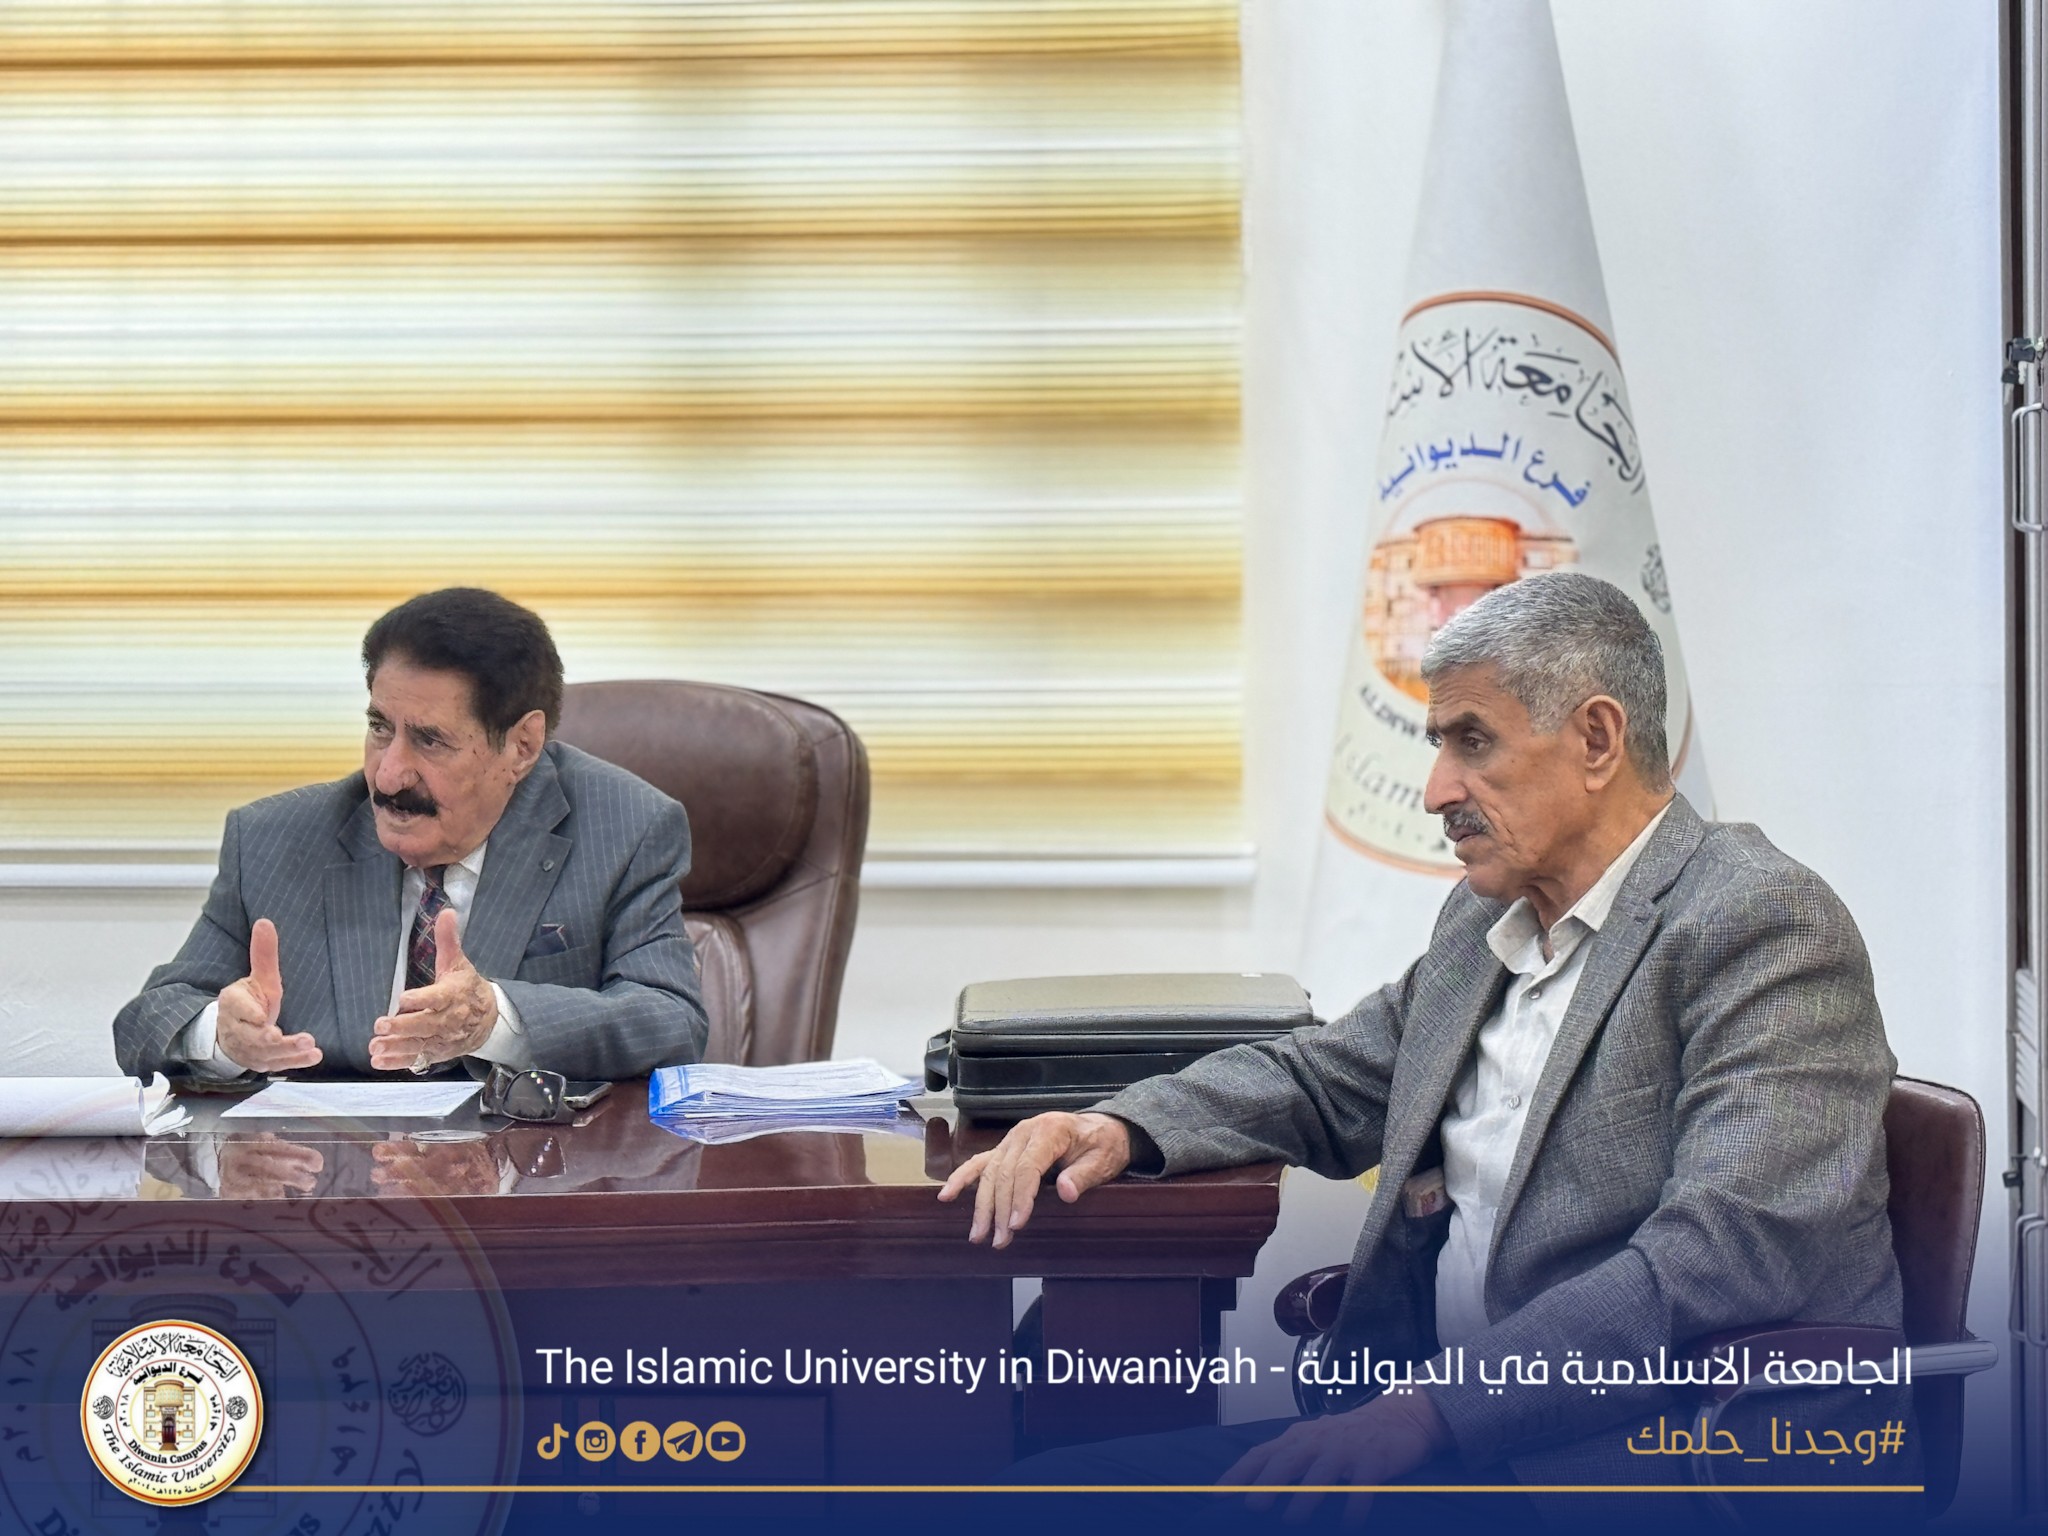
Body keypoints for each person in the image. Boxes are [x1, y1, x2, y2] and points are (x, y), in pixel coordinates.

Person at [938, 571, 1904, 1512]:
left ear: (1597, 739)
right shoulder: (1486, 921)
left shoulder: (1758, 921)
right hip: (1439, 1441)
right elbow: (1326, 1080)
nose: (1437, 790)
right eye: (1439, 744)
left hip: (1635, 1461)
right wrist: (1120, 1127)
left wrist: (1426, 1411)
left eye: (1472, 741)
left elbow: (1727, 1256)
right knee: (1028, 1498)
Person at [114, 587, 708, 1083]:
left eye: (430, 740)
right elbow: (145, 1023)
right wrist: (218, 1036)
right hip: (329, 1173)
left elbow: (671, 1020)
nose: (389, 775)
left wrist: (495, 1019)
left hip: (523, 1174)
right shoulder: (273, 840)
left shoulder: (624, 828)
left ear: (522, 746)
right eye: (380, 728)